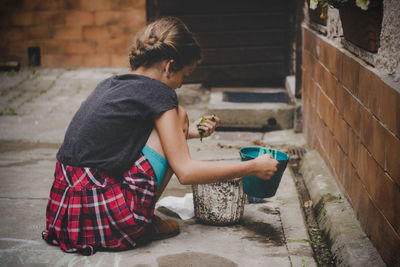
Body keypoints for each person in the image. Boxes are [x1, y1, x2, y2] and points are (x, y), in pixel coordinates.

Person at [42, 16, 279, 255]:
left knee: (180, 118)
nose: (181, 85)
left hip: (67, 215)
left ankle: (136, 214)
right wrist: (251, 168)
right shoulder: (160, 93)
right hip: (107, 218)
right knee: (180, 114)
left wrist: (190, 131)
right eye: (184, 76)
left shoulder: (112, 84)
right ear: (169, 66)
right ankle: (140, 222)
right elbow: (186, 172)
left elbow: (123, 138)